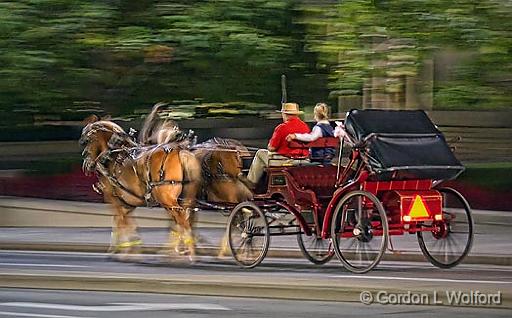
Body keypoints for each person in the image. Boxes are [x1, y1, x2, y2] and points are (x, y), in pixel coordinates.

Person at [243, 102, 310, 188]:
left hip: (285, 161)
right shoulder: (305, 127)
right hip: (303, 160)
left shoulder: (282, 127)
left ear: (285, 114)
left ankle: (251, 182)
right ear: (296, 114)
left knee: (260, 153)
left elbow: (271, 148)